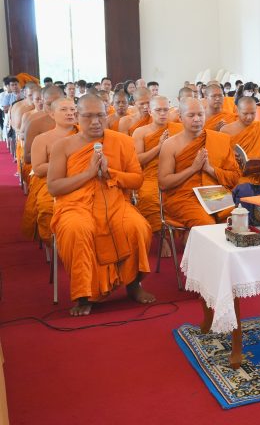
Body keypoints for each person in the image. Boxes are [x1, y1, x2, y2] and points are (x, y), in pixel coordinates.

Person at [47, 94, 154, 316]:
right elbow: (54, 187)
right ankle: (84, 295)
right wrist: (88, 173)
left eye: (100, 116)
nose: (95, 121)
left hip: (115, 200)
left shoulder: (122, 141)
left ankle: (134, 284)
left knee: (138, 227)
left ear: (108, 115)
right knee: (77, 230)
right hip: (75, 205)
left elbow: (137, 179)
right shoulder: (63, 146)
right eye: (88, 116)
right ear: (77, 116)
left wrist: (109, 173)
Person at [158, 98, 240, 227]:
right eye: (191, 115)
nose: (197, 119)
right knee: (206, 225)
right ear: (180, 117)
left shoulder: (218, 139)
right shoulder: (170, 145)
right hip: (184, 197)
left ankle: (190, 240)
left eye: (200, 114)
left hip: (214, 194)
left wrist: (209, 169)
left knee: (238, 218)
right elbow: (163, 183)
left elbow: (234, 177)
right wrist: (193, 169)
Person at [133, 96, 184, 255]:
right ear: (150, 111)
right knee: (149, 197)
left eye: (165, 110)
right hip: (151, 176)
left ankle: (186, 234)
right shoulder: (140, 132)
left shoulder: (179, 129)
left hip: (174, 174)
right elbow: (137, 160)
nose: (163, 114)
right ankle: (161, 238)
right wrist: (159, 146)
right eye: (158, 110)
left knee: (188, 194)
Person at [24, 98, 78, 247]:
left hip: (82, 180)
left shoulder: (85, 135)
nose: (70, 113)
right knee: (47, 207)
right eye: (64, 110)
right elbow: (39, 168)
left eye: (73, 109)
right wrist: (68, 164)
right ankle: (59, 245)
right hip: (52, 183)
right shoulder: (42, 139)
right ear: (52, 114)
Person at [220, 96, 260, 185]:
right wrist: (233, 157)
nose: (249, 117)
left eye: (253, 113)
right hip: (236, 173)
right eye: (245, 113)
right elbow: (221, 158)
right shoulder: (225, 130)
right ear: (237, 111)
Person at [22, 86, 65, 167]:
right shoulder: (35, 122)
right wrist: (54, 154)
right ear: (43, 101)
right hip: (46, 169)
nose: (54, 108)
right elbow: (27, 157)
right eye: (49, 104)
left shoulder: (75, 120)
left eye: (58, 103)